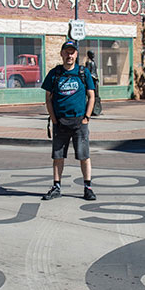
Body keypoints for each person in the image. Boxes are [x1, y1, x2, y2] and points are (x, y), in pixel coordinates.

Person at [42, 40, 97, 200]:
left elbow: (91, 96)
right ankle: (56, 187)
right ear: (61, 54)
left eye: (72, 52)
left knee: (84, 156)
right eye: (66, 52)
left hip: (80, 122)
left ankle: (88, 187)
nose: (69, 55)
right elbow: (48, 98)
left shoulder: (83, 72)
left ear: (76, 54)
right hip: (60, 123)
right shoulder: (55, 73)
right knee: (58, 156)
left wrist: (87, 117)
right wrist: (54, 120)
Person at [85, 49, 102, 116]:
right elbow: (88, 72)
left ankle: (96, 109)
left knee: (96, 94)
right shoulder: (88, 63)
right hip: (92, 80)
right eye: (92, 54)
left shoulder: (93, 62)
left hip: (95, 79)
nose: (93, 55)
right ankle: (91, 109)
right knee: (92, 94)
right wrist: (92, 77)